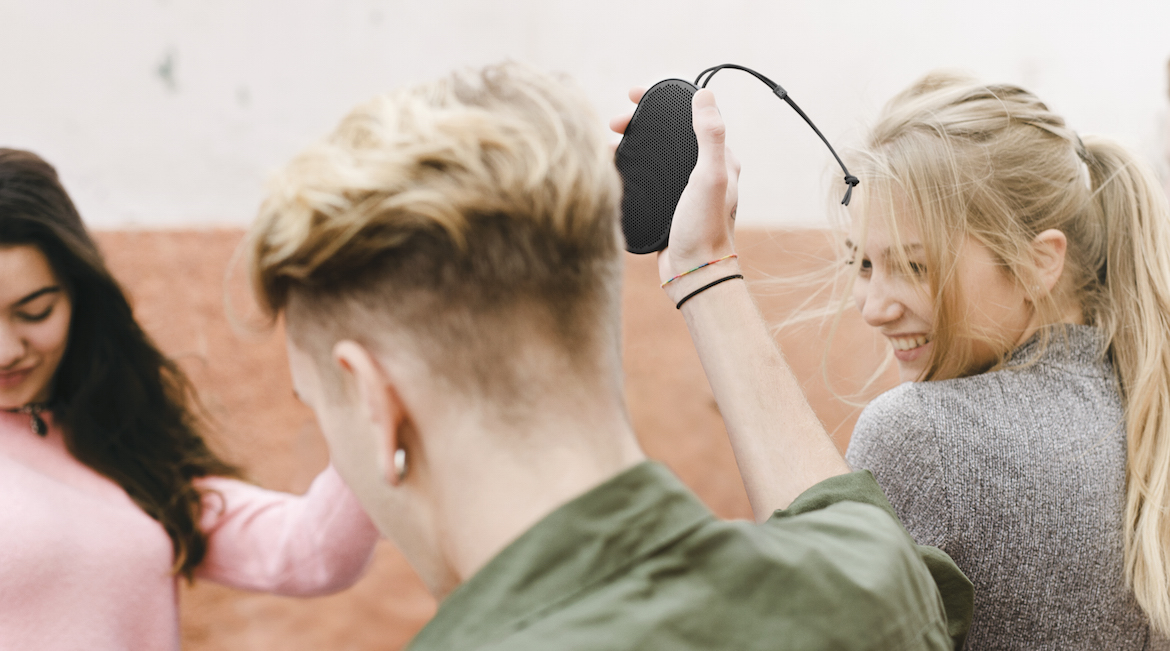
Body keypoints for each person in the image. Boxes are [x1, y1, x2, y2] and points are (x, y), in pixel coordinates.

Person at [247, 61, 972, 650]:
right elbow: (842, 525)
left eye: (320, 412)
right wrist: (703, 266)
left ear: (377, 404)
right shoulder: (874, 586)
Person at [628, 70, 1170, 648]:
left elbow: (819, 621)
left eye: (914, 266)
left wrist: (702, 268)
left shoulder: (932, 438)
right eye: (862, 263)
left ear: (1040, 262)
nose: (874, 308)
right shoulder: (1140, 405)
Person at [0, 148, 380, 649]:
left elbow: (312, 553)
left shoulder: (120, 448)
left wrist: (374, 398)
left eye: (36, 312)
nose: (7, 351)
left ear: (79, 296)